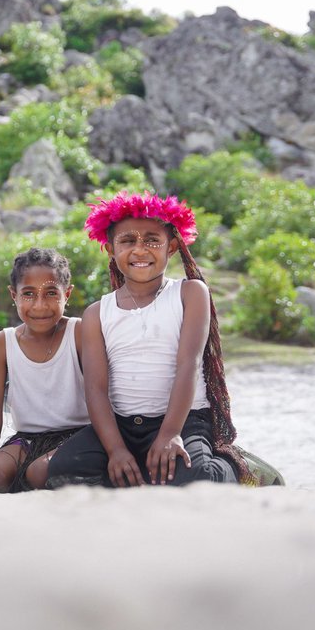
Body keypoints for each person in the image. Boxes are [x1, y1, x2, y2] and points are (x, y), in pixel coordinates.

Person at [47, 190, 263, 488]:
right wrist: (116, 450)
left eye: (152, 240)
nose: (139, 250)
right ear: (110, 248)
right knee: (65, 470)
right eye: (127, 241)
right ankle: (144, 470)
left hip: (183, 419)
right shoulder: (98, 313)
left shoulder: (190, 293)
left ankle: (236, 467)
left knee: (195, 478)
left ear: (171, 246)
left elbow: (188, 365)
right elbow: (95, 389)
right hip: (122, 426)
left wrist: (169, 434)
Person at [0, 247, 89, 494]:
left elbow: (99, 394)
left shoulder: (79, 333)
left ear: (67, 294)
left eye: (51, 293)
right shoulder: (3, 343)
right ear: (14, 295)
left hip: (78, 435)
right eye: (28, 294)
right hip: (28, 438)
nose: (39, 305)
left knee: (40, 472)